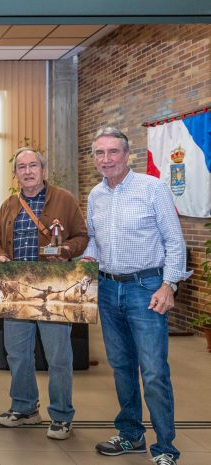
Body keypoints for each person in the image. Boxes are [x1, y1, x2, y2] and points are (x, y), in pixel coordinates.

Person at [83, 127, 190, 465]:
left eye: (112, 152)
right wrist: (86, 259)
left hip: (146, 289)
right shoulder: (95, 196)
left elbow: (175, 242)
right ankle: (131, 435)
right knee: (121, 366)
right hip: (108, 288)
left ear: (126, 155)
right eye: (99, 153)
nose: (106, 159)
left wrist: (168, 285)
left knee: (154, 371)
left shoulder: (153, 188)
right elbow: (93, 242)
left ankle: (165, 448)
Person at [0, 147, 88, 440]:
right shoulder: (8, 204)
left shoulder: (64, 200)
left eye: (33, 165)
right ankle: (24, 408)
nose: (28, 171)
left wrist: (67, 249)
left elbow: (82, 236)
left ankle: (61, 415)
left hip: (53, 286)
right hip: (16, 286)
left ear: (43, 170)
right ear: (16, 173)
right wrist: (2, 257)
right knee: (17, 353)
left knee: (58, 356)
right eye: (22, 167)